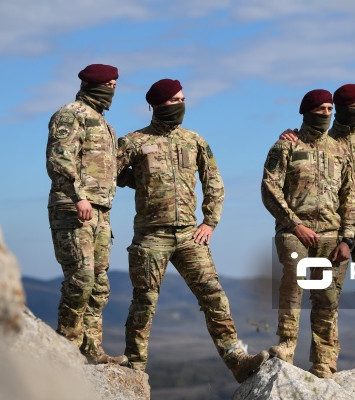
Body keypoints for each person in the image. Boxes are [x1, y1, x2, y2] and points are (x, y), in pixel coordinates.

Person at [116, 78, 269, 383]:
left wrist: (210, 222)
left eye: (183, 99)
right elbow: (108, 171)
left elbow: (214, 182)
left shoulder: (194, 140)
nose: (181, 105)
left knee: (214, 297)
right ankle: (134, 370)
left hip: (190, 235)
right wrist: (138, 181)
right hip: (151, 236)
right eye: (175, 100)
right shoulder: (133, 142)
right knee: (144, 303)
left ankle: (237, 360)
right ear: (158, 105)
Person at [279, 84, 355, 377]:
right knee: (327, 295)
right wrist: (290, 134)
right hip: (333, 229)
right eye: (353, 107)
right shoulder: (323, 140)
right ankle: (325, 359)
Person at [261, 89, 355, 378]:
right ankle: (287, 346)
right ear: (306, 112)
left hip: (332, 236)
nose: (327, 114)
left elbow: (349, 196)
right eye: (321, 109)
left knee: (327, 298)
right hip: (294, 231)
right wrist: (294, 224)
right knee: (293, 284)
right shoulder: (285, 147)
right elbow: (269, 188)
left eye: (330, 109)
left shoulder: (339, 150)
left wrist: (347, 238)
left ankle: (324, 361)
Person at [46, 64, 127, 365]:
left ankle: (91, 348)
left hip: (101, 213)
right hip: (73, 207)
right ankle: (66, 344)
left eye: (114, 85)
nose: (112, 90)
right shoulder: (70, 114)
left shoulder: (105, 124)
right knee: (80, 277)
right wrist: (79, 196)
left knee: (99, 284)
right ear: (93, 85)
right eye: (108, 84)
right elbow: (59, 159)